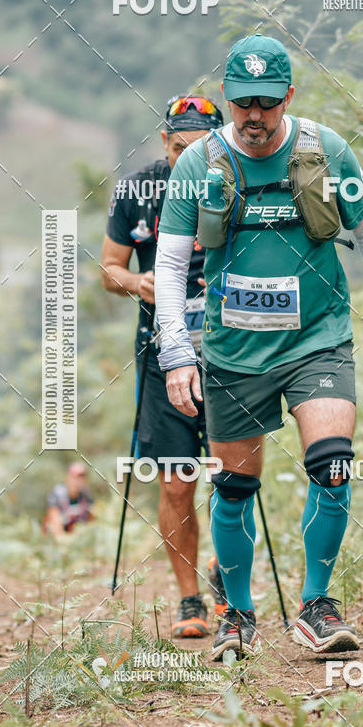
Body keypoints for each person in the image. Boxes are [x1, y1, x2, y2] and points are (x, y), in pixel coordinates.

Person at [154, 34, 363, 660]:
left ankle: (317, 606)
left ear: (288, 96)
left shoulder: (325, 152)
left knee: (333, 463)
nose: (254, 116)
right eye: (242, 103)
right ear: (227, 99)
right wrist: (176, 354)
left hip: (316, 339)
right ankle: (237, 616)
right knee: (236, 488)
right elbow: (167, 264)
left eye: (267, 103)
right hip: (234, 351)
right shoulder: (199, 165)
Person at [101, 96, 228, 638]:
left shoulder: (235, 183)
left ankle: (230, 584)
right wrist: (138, 282)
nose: (190, 157)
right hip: (162, 352)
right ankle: (190, 600)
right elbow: (110, 268)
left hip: (231, 349)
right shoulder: (137, 189)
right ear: (164, 143)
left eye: (201, 148)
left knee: (233, 477)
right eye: (180, 148)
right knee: (177, 482)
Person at [43, 462, 93, 537]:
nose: (78, 481)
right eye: (75, 477)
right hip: (57, 536)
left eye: (82, 478)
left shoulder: (86, 496)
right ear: (68, 477)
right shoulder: (57, 494)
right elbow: (56, 528)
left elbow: (91, 524)